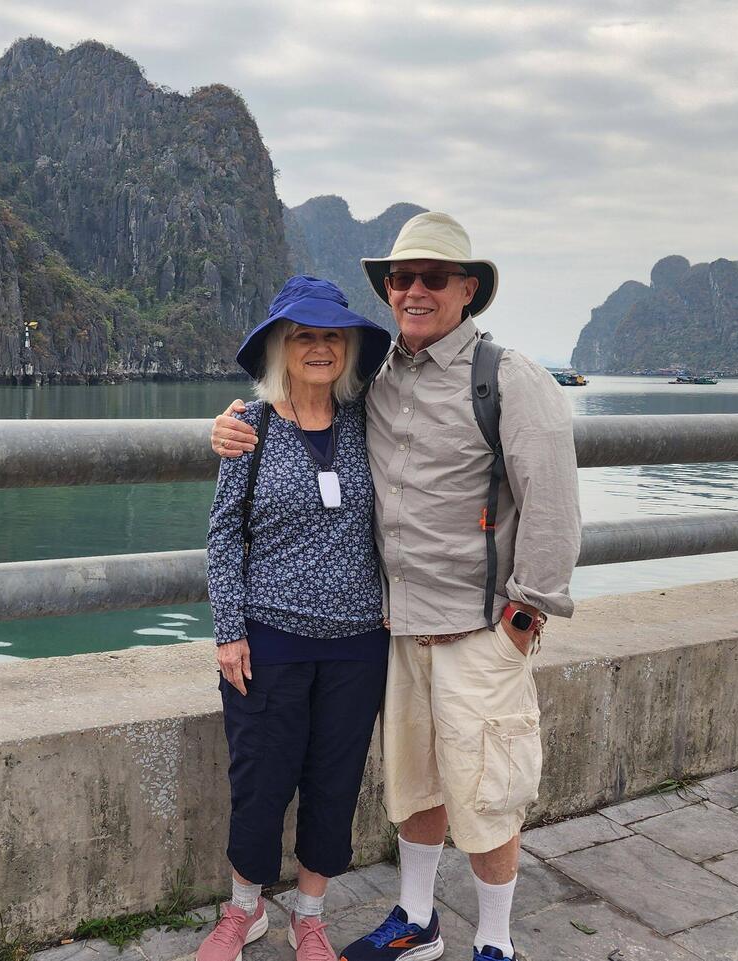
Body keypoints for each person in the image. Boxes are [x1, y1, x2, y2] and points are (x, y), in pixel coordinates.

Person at [212, 213, 581, 961]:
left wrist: (525, 613)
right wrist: (220, 428)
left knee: (486, 792)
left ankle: (498, 943)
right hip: (395, 631)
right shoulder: (371, 390)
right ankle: (416, 917)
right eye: (400, 278)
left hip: (468, 629)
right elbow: (244, 494)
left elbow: (555, 506)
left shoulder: (508, 377)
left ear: (466, 289)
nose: (413, 290)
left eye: (432, 277)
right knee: (415, 786)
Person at [200, 275, 395, 961]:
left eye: (331, 336)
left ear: (346, 348)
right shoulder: (248, 427)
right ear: (282, 348)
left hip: (357, 643)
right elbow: (223, 536)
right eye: (304, 336)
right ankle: (243, 910)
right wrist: (228, 632)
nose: (319, 347)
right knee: (260, 779)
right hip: (270, 640)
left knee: (334, 782)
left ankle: (308, 916)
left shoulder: (366, 421)